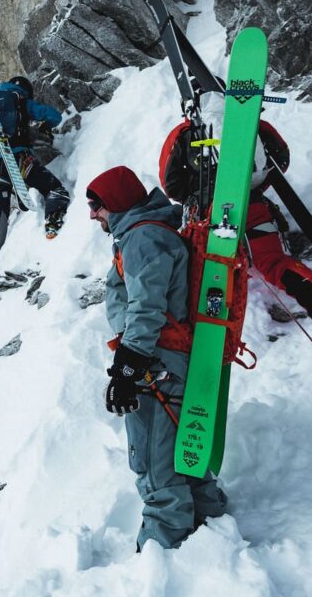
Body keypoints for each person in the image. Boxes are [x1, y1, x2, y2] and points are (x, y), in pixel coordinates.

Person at [88, 164, 228, 552]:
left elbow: (147, 307)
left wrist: (128, 370)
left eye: (96, 205)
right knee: (180, 454)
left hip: (156, 363)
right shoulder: (149, 232)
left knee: (154, 462)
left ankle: (161, 552)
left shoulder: (143, 237)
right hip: (167, 358)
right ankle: (213, 531)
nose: (91, 214)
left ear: (115, 202)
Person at [159, 118, 312, 341]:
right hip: (252, 205)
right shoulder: (249, 120)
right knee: (274, 263)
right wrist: (254, 186)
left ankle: (206, 327)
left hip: (207, 215)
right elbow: (280, 158)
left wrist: (195, 191)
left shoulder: (184, 131)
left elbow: (170, 184)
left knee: (210, 270)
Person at [0, 75, 71, 272]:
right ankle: (52, 218)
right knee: (53, 188)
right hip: (20, 159)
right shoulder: (22, 101)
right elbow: (54, 116)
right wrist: (45, 126)